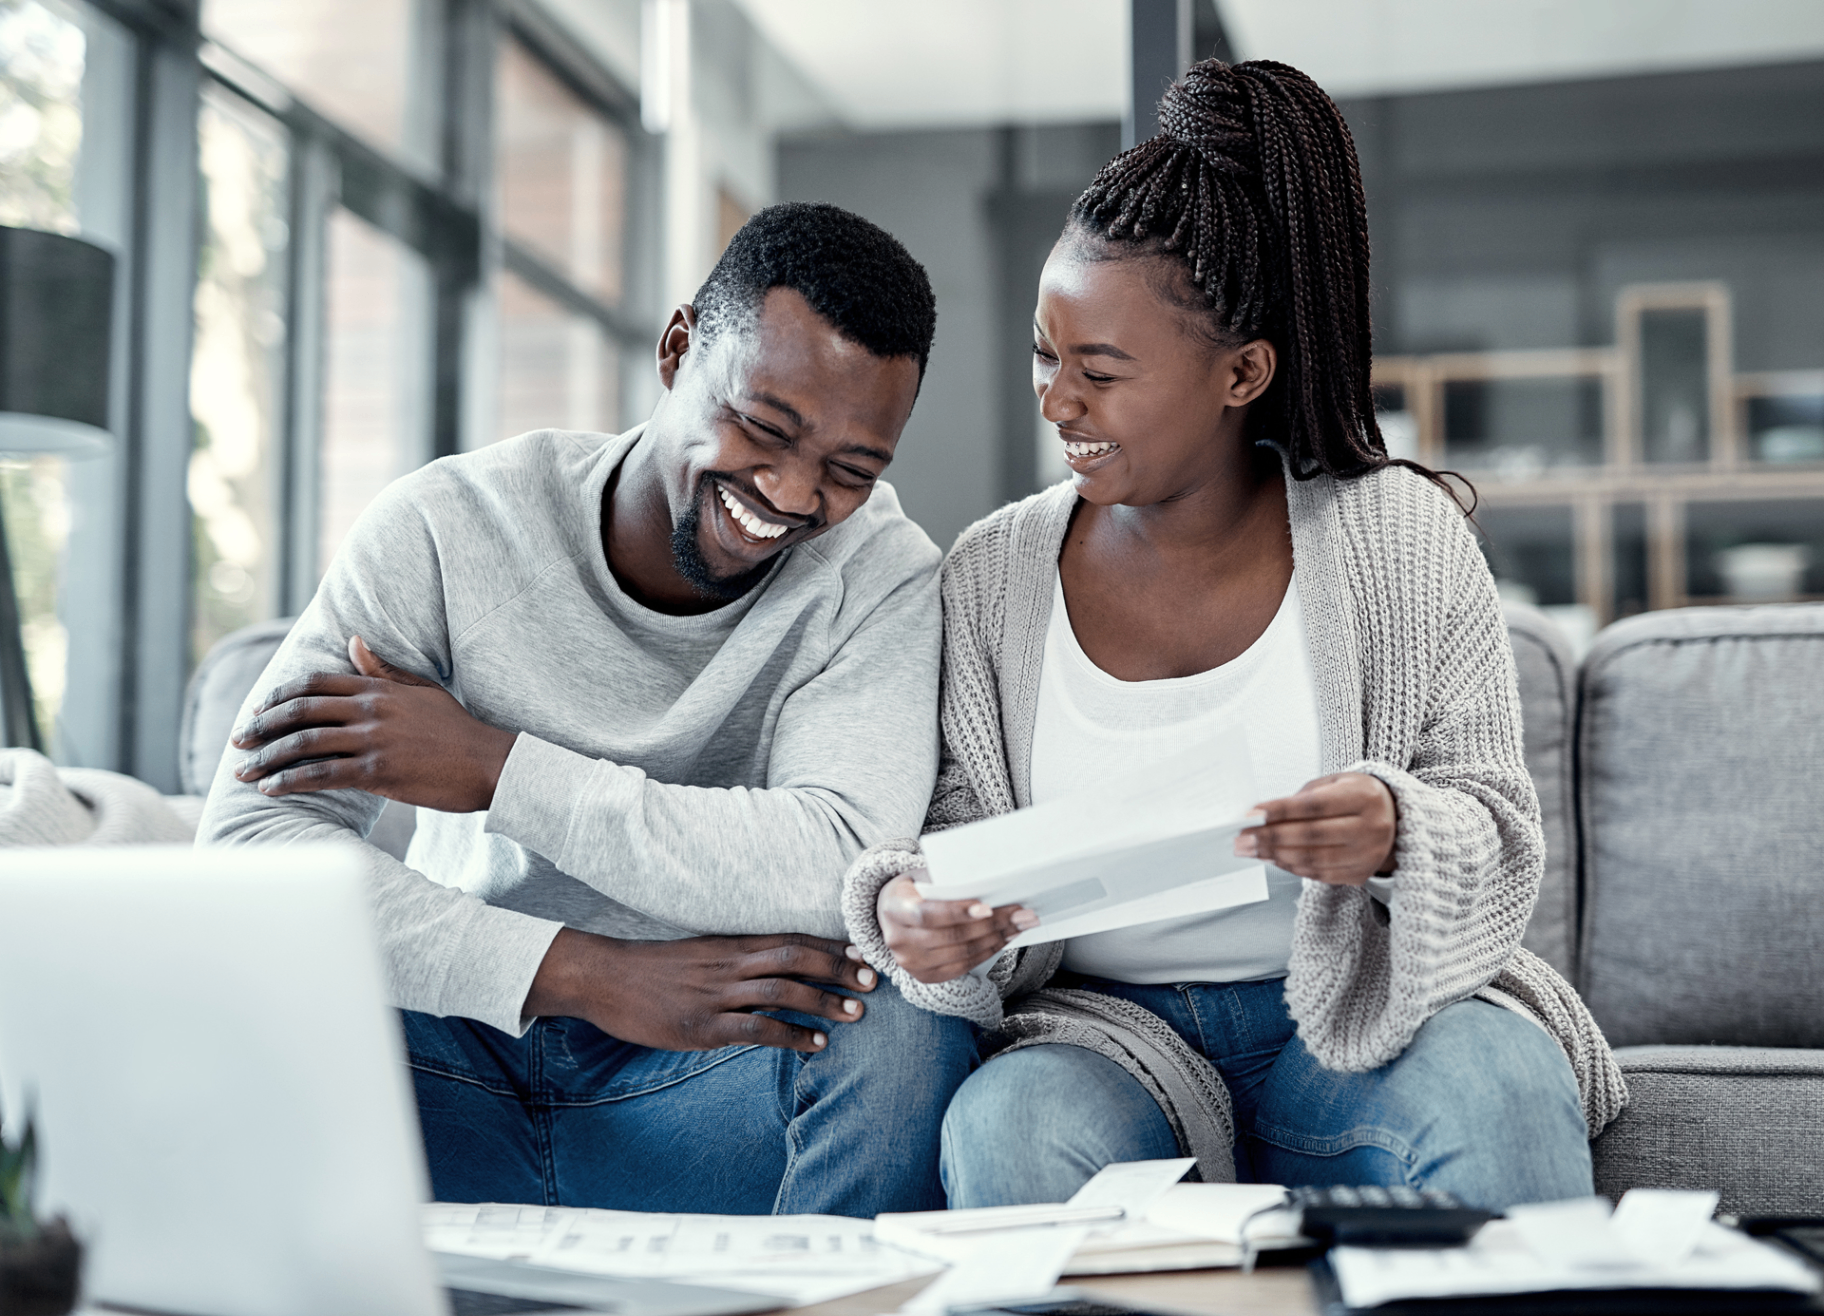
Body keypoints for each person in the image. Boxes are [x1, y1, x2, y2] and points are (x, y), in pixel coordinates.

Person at [837, 61, 1627, 1211]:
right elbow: (953, 837)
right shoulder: (993, 572)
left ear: (1242, 372)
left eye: (1100, 372)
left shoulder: (1401, 536)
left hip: (1365, 1011)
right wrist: (924, 918)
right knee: (1009, 1120)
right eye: (1047, 357)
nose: (1058, 402)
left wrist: (1397, 827)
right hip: (1103, 1034)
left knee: (1495, 1081)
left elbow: (1499, 827)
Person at [198, 202, 975, 1217]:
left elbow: (840, 858)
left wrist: (497, 768)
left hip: (699, 1088)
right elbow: (251, 838)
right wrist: (583, 971)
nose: (787, 493)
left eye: (848, 471)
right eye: (762, 426)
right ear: (678, 347)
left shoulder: (879, 575)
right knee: (219, 984)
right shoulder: (447, 529)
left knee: (905, 1023)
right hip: (453, 1051)